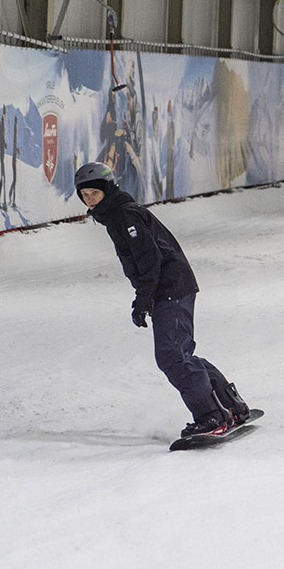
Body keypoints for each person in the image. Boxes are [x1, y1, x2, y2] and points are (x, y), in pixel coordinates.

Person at [74, 161, 254, 438]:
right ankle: (230, 405)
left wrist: (142, 299)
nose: (89, 200)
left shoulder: (125, 215)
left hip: (171, 288)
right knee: (180, 355)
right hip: (171, 287)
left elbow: (149, 259)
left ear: (107, 190)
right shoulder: (116, 215)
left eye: (94, 193)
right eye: (84, 195)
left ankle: (211, 416)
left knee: (172, 357)